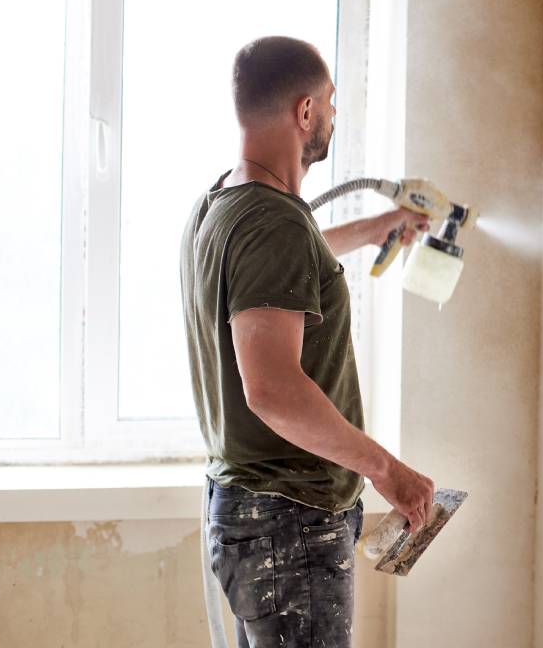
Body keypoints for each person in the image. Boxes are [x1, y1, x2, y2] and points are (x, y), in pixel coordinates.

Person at [179, 35, 434, 647]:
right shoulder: (274, 224)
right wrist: (386, 470)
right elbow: (271, 390)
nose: (333, 117)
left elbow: (284, 265)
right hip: (291, 520)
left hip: (255, 514)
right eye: (331, 103)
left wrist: (375, 229)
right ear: (305, 112)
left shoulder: (221, 203)